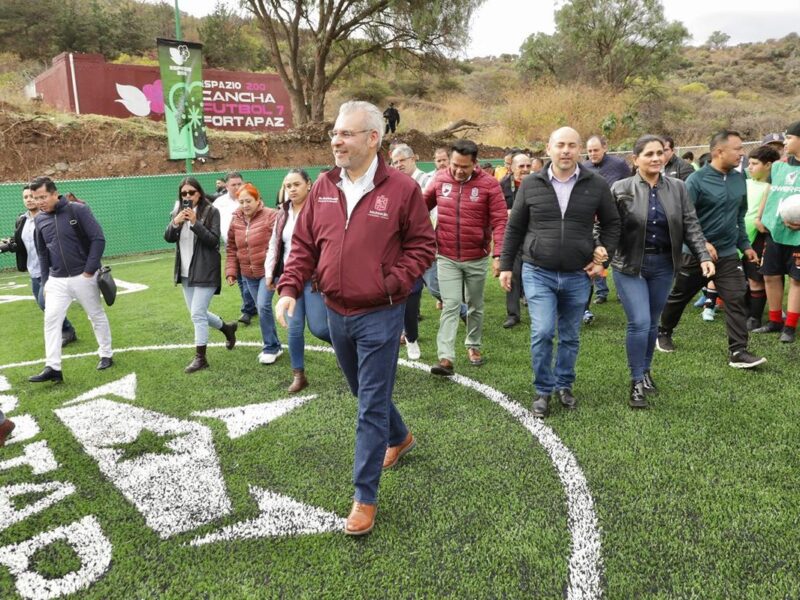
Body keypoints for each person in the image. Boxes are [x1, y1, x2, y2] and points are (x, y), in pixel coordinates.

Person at [274, 100, 435, 536]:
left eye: (346, 134)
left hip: (381, 314)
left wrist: (392, 282)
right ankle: (400, 436)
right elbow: (304, 246)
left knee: (368, 407)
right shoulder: (323, 186)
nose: (336, 141)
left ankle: (364, 497)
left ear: (372, 139)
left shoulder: (402, 189)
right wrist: (289, 287)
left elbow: (423, 247)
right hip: (335, 309)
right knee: (363, 391)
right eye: (334, 134)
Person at [499, 127, 621, 418]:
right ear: (549, 148)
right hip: (537, 271)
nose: (566, 150)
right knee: (542, 332)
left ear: (579, 149)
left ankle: (564, 384)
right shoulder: (531, 184)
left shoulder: (596, 183)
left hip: (578, 275)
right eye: (560, 145)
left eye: (571, 145)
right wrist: (505, 265)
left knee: (569, 335)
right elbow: (514, 227)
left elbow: (613, 224)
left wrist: (604, 257)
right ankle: (543, 389)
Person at [610, 135, 714, 408]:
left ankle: (645, 372)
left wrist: (702, 254)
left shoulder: (678, 188)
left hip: (664, 265)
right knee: (640, 322)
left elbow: (690, 224)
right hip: (629, 265)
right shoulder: (620, 188)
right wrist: (599, 255)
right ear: (636, 159)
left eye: (660, 153)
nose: (656, 158)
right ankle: (635, 380)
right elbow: (608, 227)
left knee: (653, 323)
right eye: (649, 154)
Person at [656, 130, 767, 368]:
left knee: (736, 297)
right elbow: (683, 218)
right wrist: (702, 243)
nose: (742, 153)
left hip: (727, 253)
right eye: (737, 149)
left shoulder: (739, 179)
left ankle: (738, 351)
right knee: (680, 295)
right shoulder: (696, 181)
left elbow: (739, 215)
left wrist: (745, 245)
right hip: (696, 254)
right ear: (719, 152)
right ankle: (663, 331)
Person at [424, 139, 508, 375]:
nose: (459, 171)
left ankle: (473, 344)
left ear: (475, 164)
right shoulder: (440, 179)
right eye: (455, 165)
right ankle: (446, 358)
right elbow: (421, 207)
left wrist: (498, 254)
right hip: (446, 256)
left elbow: (500, 220)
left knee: (474, 305)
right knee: (450, 304)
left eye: (465, 167)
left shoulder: (490, 185)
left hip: (476, 257)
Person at [28, 176, 113, 383]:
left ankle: (106, 354)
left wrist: (89, 270)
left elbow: (98, 238)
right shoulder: (39, 219)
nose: (39, 202)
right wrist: (47, 280)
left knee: (95, 315)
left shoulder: (78, 210)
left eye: (43, 197)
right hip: (56, 280)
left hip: (83, 276)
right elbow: (42, 252)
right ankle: (53, 367)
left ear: (55, 193)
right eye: (35, 198)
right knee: (51, 320)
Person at [265, 169, 331, 392]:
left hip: (313, 278)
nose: (291, 189)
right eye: (288, 186)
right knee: (293, 330)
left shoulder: (321, 210)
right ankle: (298, 375)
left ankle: (347, 349)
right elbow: (275, 244)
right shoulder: (282, 212)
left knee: (320, 328)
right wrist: (270, 273)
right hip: (290, 279)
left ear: (309, 184)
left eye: (296, 184)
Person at [164, 177, 238, 373]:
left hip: (206, 269)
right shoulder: (177, 210)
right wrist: (175, 223)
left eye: (191, 192)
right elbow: (168, 237)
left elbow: (213, 241)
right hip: (186, 271)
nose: (187, 197)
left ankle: (201, 358)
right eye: (184, 193)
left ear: (199, 193)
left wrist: (196, 223)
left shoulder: (211, 211)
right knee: (198, 313)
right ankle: (227, 328)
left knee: (197, 314)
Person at [0, 185, 77, 345]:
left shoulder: (49, 217)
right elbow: (23, 242)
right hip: (33, 269)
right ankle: (66, 330)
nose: (29, 200)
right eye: (25, 197)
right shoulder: (22, 219)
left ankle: (66, 331)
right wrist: (10, 245)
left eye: (31, 196)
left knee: (45, 302)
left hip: (50, 269)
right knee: (42, 304)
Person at [753, 120, 800, 342]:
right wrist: (760, 216)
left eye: (789, 138)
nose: (785, 142)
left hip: (798, 236)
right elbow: (769, 192)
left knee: (796, 280)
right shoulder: (780, 165)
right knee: (771, 275)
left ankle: (789, 327)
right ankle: (774, 321)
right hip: (775, 231)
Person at [225, 183, 282, 364]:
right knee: (261, 307)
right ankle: (275, 345)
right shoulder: (235, 220)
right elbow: (232, 248)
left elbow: (280, 243)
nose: (245, 205)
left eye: (248, 201)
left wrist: (274, 270)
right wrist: (231, 272)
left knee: (263, 305)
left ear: (258, 200)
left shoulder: (271, 215)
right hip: (248, 273)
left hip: (268, 273)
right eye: (241, 201)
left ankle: (271, 347)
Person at [390, 144, 433, 360]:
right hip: (392, 253)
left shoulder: (426, 182)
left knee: (413, 298)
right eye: (394, 162)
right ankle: (397, 336)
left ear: (413, 159)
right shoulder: (388, 185)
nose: (398, 166)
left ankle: (412, 338)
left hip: (417, 249)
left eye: (401, 161)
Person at [582, 135, 631, 313]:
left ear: (605, 148)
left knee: (620, 257)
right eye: (589, 151)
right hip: (594, 221)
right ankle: (600, 292)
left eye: (596, 150)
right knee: (596, 255)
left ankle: (622, 292)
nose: (592, 154)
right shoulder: (584, 167)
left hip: (619, 219)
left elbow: (630, 187)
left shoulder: (619, 165)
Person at [743, 144, 782, 330]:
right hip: (741, 235)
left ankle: (754, 317)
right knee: (741, 275)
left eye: (754, 163)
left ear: (768, 166)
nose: (749, 167)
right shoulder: (744, 182)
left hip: (761, 237)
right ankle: (744, 310)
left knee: (755, 276)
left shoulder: (774, 187)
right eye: (749, 163)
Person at [213, 171, 257, 326]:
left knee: (248, 278)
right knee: (240, 279)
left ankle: (248, 310)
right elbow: (215, 223)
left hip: (250, 245)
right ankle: (251, 307)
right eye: (233, 184)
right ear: (226, 185)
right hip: (231, 246)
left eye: (239, 183)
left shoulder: (248, 199)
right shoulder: (219, 203)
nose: (237, 187)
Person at [499, 152, 533, 328]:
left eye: (528, 166)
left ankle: (540, 310)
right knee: (512, 274)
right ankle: (513, 314)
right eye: (521, 166)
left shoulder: (540, 183)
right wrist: (507, 214)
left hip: (535, 236)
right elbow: (495, 211)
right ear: (511, 168)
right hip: (513, 238)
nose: (525, 170)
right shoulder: (502, 186)